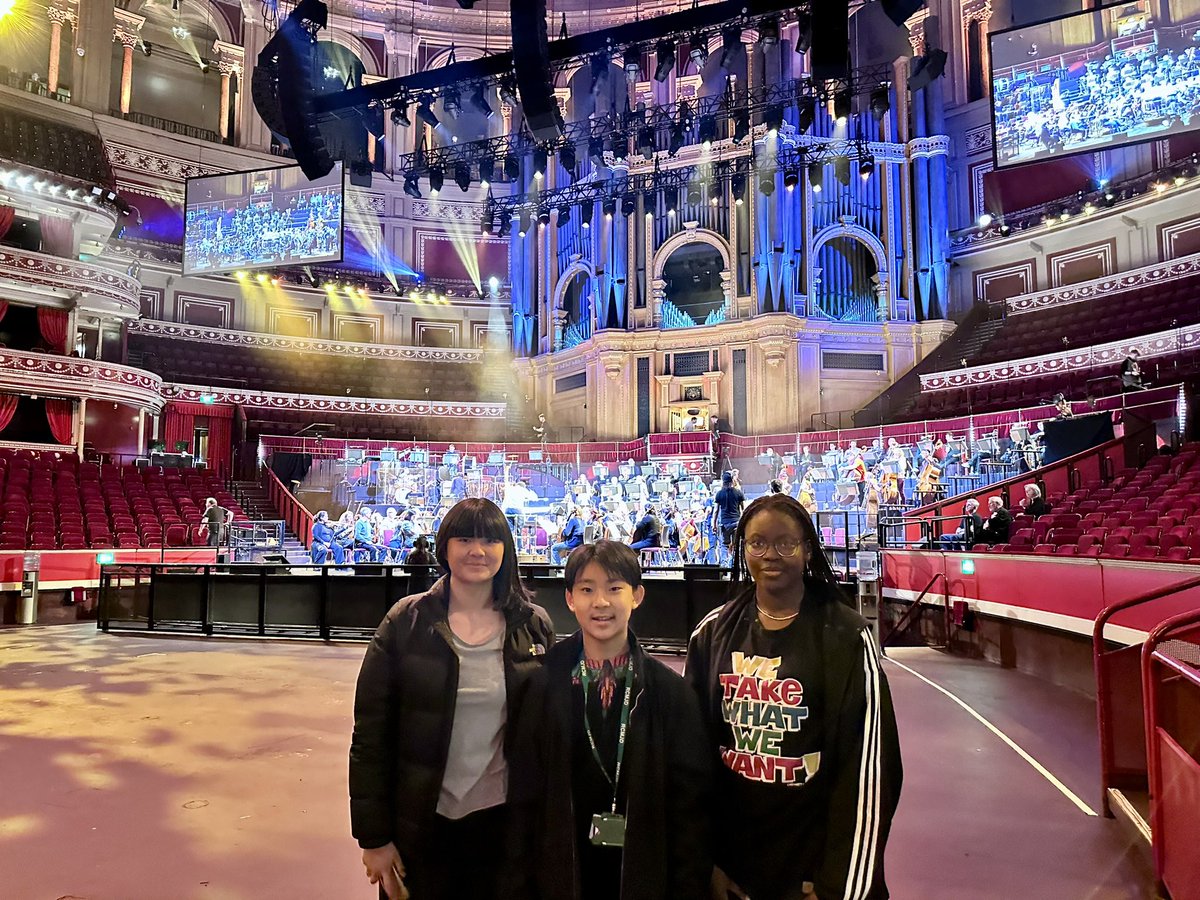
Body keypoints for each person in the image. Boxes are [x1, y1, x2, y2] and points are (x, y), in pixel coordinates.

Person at [685, 494, 902, 900]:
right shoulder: (712, 634)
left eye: (786, 543)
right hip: (732, 872)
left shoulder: (847, 638)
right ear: (742, 548)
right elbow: (692, 761)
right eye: (757, 543)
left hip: (810, 873)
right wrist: (704, 861)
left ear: (807, 550)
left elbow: (870, 774)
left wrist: (837, 885)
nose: (771, 554)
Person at [350, 498, 555, 900]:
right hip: (422, 824)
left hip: (502, 825)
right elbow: (370, 736)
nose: (476, 551)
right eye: (464, 539)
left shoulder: (533, 626)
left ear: (505, 550)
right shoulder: (404, 622)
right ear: (445, 546)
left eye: (489, 540)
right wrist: (373, 838)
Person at [503, 541, 712, 900]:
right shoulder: (543, 685)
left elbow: (691, 807)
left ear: (637, 596)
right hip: (561, 870)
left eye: (615, 588)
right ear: (570, 599)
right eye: (587, 589)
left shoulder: (669, 693)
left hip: (644, 872)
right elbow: (523, 795)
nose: (600, 602)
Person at [711, 471, 745, 564]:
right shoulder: (738, 493)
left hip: (724, 524)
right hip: (736, 523)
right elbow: (743, 509)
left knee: (724, 545)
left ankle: (724, 565)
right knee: (736, 545)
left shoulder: (719, 494)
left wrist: (714, 524)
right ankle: (734, 564)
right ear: (731, 481)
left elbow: (716, 511)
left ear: (723, 482)